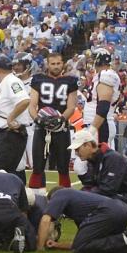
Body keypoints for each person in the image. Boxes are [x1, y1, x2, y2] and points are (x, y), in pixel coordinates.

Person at [36, 188, 127, 253]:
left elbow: (46, 220)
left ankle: (126, 239)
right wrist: (57, 245)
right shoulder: (79, 205)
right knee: (94, 243)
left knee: (80, 247)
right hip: (123, 210)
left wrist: (40, 247)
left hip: (110, 211)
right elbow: (82, 241)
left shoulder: (60, 194)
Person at [27, 51, 78, 189]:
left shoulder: (70, 81)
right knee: (37, 167)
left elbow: (71, 106)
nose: (56, 66)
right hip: (42, 128)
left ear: (63, 64)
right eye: (53, 64)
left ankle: (66, 201)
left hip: (61, 128)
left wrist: (61, 119)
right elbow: (32, 105)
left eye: (58, 63)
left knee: (63, 168)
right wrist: (38, 119)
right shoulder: (38, 79)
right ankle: (35, 201)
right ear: (48, 65)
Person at [69, 129, 127, 217]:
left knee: (86, 204)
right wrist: (81, 175)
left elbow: (108, 189)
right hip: (118, 196)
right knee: (81, 207)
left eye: (77, 149)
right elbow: (90, 184)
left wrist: (81, 197)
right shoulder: (93, 160)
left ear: (88, 145)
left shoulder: (113, 158)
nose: (76, 153)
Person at [0, 55, 31, 178]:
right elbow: (4, 108)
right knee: (13, 171)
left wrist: (11, 118)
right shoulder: (5, 83)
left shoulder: (11, 81)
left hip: (10, 135)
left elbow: (24, 101)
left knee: (2, 174)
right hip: (6, 135)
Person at [82, 49, 120, 148]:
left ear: (99, 60)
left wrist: (92, 129)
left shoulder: (106, 74)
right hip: (98, 124)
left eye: (94, 58)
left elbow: (103, 106)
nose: (91, 62)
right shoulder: (101, 75)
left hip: (100, 126)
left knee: (93, 161)